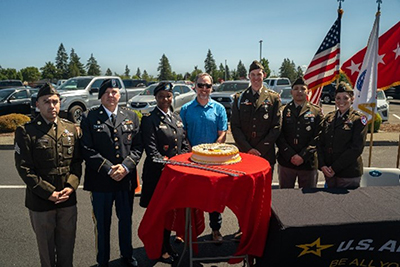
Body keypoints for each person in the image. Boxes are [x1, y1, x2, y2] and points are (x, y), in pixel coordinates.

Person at [14, 83, 82, 267]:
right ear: (37, 104)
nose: (51, 106)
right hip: (41, 202)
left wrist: (70, 186)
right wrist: (48, 192)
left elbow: (76, 163)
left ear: (60, 103)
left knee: (67, 250)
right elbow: (24, 168)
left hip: (68, 200)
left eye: (55, 101)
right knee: (47, 254)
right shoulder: (26, 131)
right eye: (46, 102)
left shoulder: (70, 129)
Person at [80, 79, 142, 267]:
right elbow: (86, 149)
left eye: (114, 92)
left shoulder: (131, 115)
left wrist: (125, 167)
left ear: (119, 95)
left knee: (125, 220)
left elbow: (138, 147)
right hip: (101, 181)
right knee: (102, 223)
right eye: (107, 92)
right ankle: (103, 260)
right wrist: (108, 168)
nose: (111, 95)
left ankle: (127, 255)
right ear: (100, 96)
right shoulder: (88, 117)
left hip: (125, 180)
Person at [140, 82, 189, 264]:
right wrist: (171, 164)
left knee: (169, 212)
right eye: (161, 96)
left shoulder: (176, 117)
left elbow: (183, 144)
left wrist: (181, 161)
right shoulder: (149, 119)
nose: (165, 100)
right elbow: (152, 151)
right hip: (158, 174)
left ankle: (166, 244)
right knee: (159, 214)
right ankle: (159, 248)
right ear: (156, 98)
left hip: (174, 174)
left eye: (168, 96)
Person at [180, 73, 228, 243]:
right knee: (191, 197)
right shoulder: (186, 109)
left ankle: (216, 230)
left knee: (214, 197)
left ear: (211, 88)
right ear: (195, 86)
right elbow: (182, 133)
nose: (204, 89)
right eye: (201, 85)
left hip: (213, 161)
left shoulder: (219, 109)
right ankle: (188, 230)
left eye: (207, 86)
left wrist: (213, 149)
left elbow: (222, 132)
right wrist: (191, 149)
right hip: (192, 160)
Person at [231, 60, 282, 170]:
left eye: (259, 74)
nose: (256, 78)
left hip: (266, 153)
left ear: (264, 75)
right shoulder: (239, 98)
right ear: (249, 76)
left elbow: (276, 127)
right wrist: (248, 149)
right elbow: (235, 126)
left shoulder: (274, 98)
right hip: (245, 153)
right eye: (253, 75)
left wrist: (260, 149)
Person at [318, 82, 368, 188]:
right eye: (338, 98)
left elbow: (356, 148)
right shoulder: (329, 118)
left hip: (348, 174)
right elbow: (320, 143)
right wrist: (322, 165)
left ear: (352, 99)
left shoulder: (358, 119)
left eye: (345, 98)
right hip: (329, 172)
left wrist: (334, 168)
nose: (341, 101)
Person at [276, 77, 323, 188]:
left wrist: (303, 156)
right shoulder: (283, 110)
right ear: (291, 92)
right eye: (296, 89)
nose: (299, 91)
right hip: (287, 161)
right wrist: (291, 155)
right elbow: (278, 134)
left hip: (307, 162)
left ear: (308, 91)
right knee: (286, 196)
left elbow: (319, 136)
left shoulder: (316, 111)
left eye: (303, 88)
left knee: (307, 200)